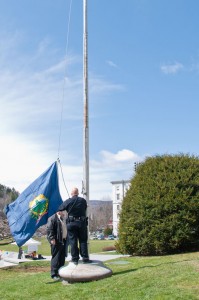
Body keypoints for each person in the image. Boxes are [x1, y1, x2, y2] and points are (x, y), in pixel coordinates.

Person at [58, 187, 91, 265]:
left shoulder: (68, 201)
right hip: (81, 223)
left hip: (71, 223)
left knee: (73, 241)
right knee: (83, 241)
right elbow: (85, 208)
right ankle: (85, 258)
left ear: (71, 193)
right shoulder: (83, 201)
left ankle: (75, 259)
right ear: (78, 193)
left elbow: (60, 208)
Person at [47, 210, 68, 280]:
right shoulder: (53, 218)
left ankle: (60, 273)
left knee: (62, 258)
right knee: (56, 257)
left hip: (63, 240)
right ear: (58, 211)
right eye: (62, 211)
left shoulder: (63, 218)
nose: (63, 212)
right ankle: (54, 274)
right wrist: (52, 238)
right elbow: (49, 229)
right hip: (56, 241)